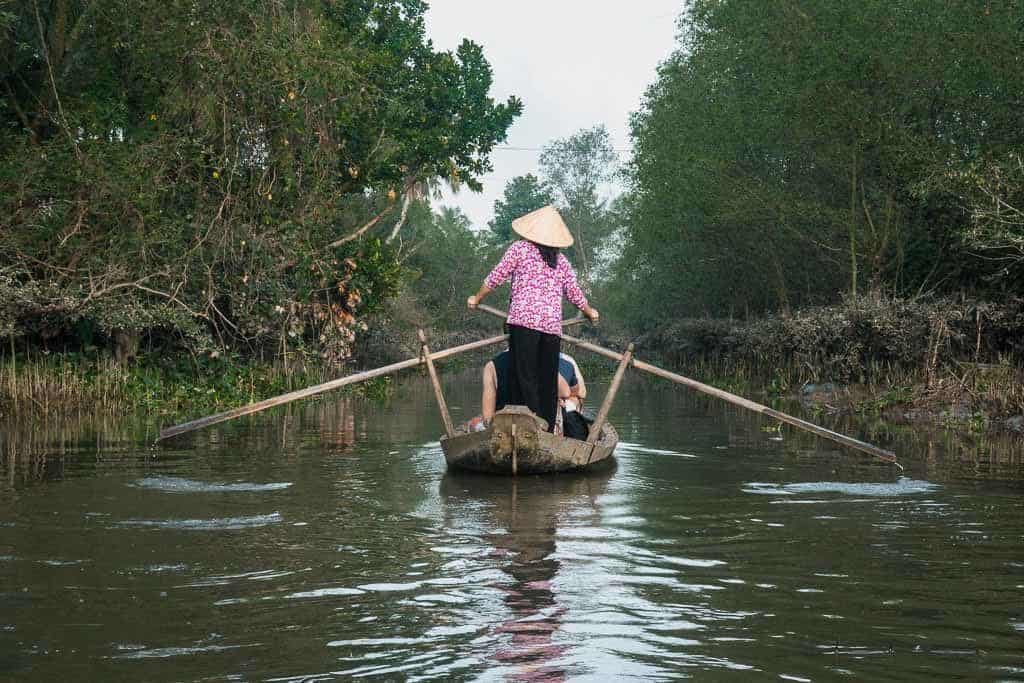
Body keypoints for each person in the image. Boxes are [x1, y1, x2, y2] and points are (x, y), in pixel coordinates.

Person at [468, 205, 599, 432]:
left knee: (524, 375)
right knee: (547, 379)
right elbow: (574, 293)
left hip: (523, 324)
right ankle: (546, 428)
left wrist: (476, 298)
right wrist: (589, 311)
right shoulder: (562, 261)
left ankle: (525, 426)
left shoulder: (519, 249)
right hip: (551, 328)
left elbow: (496, 276)